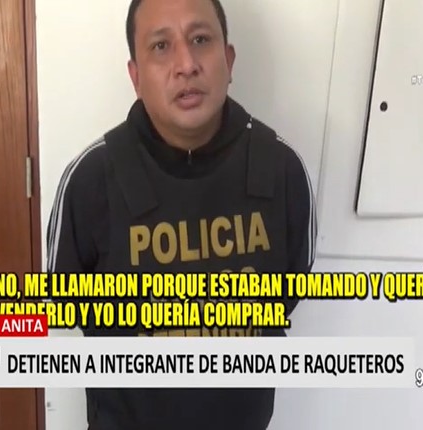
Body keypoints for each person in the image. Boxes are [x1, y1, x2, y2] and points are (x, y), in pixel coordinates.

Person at [46, 0, 318, 428]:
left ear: (228, 60)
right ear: (135, 77)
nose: (186, 64)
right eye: (161, 46)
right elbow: (66, 302)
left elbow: (289, 291)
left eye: (200, 39)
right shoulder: (91, 179)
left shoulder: (281, 170)